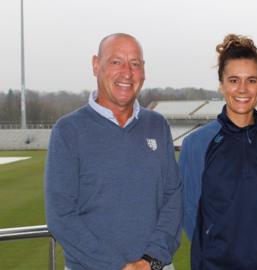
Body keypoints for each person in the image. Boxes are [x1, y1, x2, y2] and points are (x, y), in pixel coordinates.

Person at [45, 33, 182, 270]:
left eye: (135, 64)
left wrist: (150, 260)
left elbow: (174, 197)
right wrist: (116, 266)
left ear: (144, 71)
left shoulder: (157, 125)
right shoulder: (68, 130)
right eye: (116, 61)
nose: (127, 73)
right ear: (96, 65)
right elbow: (61, 215)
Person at [179, 34, 257, 270]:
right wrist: (213, 243)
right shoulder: (197, 144)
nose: (243, 89)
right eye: (233, 80)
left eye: (251, 80)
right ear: (221, 85)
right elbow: (189, 210)